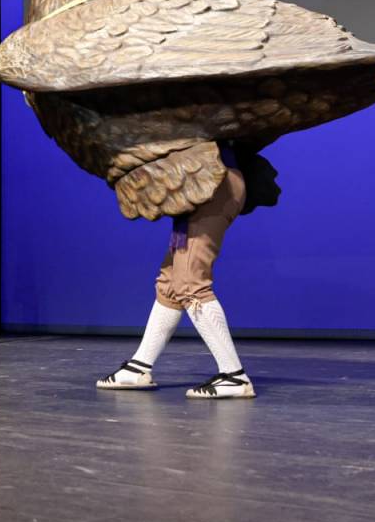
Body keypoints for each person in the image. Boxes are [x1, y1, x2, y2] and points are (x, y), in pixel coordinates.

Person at [97, 147, 279, 398]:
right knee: (171, 282)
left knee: (190, 282)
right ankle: (139, 367)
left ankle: (233, 375)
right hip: (204, 180)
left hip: (212, 182)